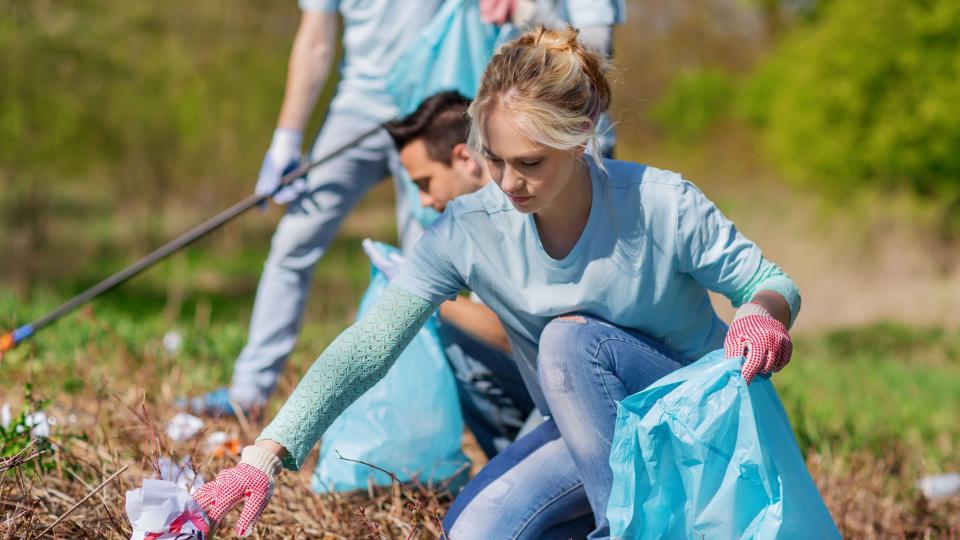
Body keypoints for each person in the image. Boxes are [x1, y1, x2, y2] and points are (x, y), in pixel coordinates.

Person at [193, 27, 801, 539]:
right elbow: (369, 344)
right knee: (473, 531)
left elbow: (771, 283)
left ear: (582, 132)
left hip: (699, 430)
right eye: (493, 159)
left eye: (530, 163)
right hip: (598, 443)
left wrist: (762, 313)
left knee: (569, 341)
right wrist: (267, 453)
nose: (508, 183)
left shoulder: (659, 203)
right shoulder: (468, 229)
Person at [185, 0, 446, 416]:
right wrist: (286, 138)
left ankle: (420, 407)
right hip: (356, 110)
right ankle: (248, 393)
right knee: (293, 242)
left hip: (434, 109)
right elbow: (315, 41)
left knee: (426, 263)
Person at [375, 91, 537, 458]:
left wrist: (426, 296)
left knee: (455, 336)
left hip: (574, 389)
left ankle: (521, 465)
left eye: (424, 182)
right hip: (540, 382)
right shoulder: (474, 223)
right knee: (455, 340)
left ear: (464, 158)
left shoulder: (522, 208)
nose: (424, 201)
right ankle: (514, 460)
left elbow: (514, 333)